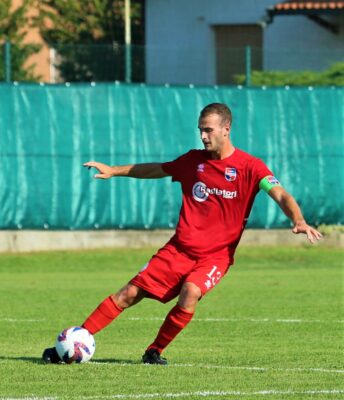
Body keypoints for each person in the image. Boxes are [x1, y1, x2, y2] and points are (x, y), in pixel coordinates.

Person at [42, 103, 322, 365]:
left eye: (209, 129)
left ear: (226, 129)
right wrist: (114, 171)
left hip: (215, 256)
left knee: (190, 292)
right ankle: (74, 343)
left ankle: (155, 351)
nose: (203, 135)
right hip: (178, 249)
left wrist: (298, 219)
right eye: (201, 129)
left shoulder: (250, 167)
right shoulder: (193, 161)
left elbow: (281, 194)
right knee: (129, 293)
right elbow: (157, 169)